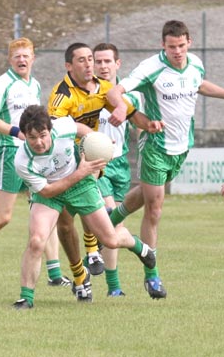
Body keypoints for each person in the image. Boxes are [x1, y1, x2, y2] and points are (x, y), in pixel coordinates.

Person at [107, 20, 224, 299]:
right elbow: (115, 91)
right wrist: (118, 107)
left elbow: (199, 84)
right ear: (163, 45)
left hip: (182, 146)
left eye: (181, 45)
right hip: (156, 146)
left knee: (150, 193)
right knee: (156, 208)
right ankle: (152, 276)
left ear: (189, 43)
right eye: (171, 46)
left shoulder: (195, 63)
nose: (177, 51)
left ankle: (109, 220)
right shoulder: (151, 68)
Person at [12, 105, 157, 309]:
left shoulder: (62, 127)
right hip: (50, 192)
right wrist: (80, 173)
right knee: (36, 241)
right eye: (32, 137)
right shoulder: (21, 160)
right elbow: (46, 192)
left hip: (81, 186)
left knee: (111, 240)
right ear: (24, 135)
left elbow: (81, 129)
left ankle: (137, 245)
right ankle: (26, 298)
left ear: (50, 130)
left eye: (43, 135)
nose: (38, 142)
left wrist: (98, 143)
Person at [0, 37, 70, 289]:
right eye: (17, 56)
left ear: (33, 58)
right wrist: (15, 132)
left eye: (26, 55)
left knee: (47, 208)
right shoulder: (2, 83)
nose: (22, 60)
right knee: (3, 216)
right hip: (9, 152)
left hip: (35, 154)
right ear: (10, 60)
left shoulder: (35, 84)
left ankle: (54, 273)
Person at [47, 42, 160, 291]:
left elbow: (131, 114)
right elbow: (56, 129)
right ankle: (79, 277)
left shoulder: (104, 89)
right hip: (61, 166)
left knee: (107, 231)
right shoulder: (61, 96)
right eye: (83, 60)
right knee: (64, 226)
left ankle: (123, 252)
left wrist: (147, 124)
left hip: (88, 165)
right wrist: (88, 133)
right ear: (69, 66)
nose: (89, 64)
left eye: (91, 59)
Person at [93, 42, 144, 297]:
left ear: (117, 64)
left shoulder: (130, 94)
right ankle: (93, 251)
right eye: (98, 62)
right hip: (95, 164)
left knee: (114, 228)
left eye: (107, 62)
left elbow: (138, 125)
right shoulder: (88, 94)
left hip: (121, 164)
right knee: (109, 213)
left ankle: (114, 287)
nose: (102, 66)